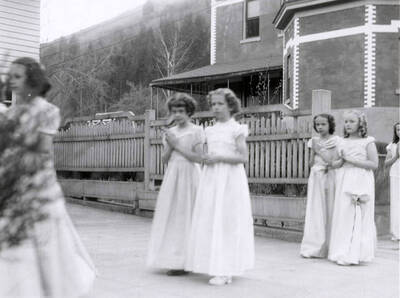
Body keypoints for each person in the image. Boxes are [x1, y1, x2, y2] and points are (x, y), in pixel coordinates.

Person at [0, 57, 96, 297]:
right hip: (12, 182)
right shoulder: (8, 113)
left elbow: (41, 152)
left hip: (37, 184)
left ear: (32, 80)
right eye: (9, 75)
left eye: (17, 76)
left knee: (43, 243)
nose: (10, 80)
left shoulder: (46, 111)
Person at [184, 88, 254, 285]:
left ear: (231, 106)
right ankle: (215, 264)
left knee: (228, 220)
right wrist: (206, 158)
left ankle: (226, 269)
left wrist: (220, 157)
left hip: (230, 178)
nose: (215, 107)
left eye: (220, 104)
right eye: (213, 104)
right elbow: (206, 153)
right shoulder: (209, 130)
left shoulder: (236, 129)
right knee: (212, 218)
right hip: (212, 178)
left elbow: (242, 157)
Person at [146, 93, 205, 275]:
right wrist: (171, 145)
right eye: (174, 111)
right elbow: (164, 159)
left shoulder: (196, 131)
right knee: (173, 216)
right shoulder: (170, 133)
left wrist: (177, 145)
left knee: (188, 214)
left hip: (190, 174)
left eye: (181, 111)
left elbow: (199, 157)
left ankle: (190, 259)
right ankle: (175, 259)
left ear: (189, 112)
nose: (178, 114)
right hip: (173, 175)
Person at [328, 110, 378, 265]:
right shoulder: (341, 142)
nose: (348, 124)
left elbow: (374, 164)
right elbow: (335, 163)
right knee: (344, 213)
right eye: (346, 122)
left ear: (360, 124)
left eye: (352, 121)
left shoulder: (368, 141)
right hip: (344, 178)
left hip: (361, 178)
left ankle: (358, 252)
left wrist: (352, 160)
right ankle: (343, 251)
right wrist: (340, 160)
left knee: (359, 213)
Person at [300, 114, 340, 258]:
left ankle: (329, 244)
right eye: (318, 124)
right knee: (316, 209)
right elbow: (311, 163)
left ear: (330, 124)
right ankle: (315, 245)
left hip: (329, 176)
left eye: (323, 124)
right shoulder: (314, 141)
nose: (320, 127)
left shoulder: (336, 141)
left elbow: (333, 161)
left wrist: (320, 151)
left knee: (329, 208)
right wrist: (314, 160)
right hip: (316, 176)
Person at [385, 122, 400, 241]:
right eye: (398, 130)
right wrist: (396, 156)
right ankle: (397, 233)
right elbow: (385, 163)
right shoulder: (392, 145)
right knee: (396, 203)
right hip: (396, 174)